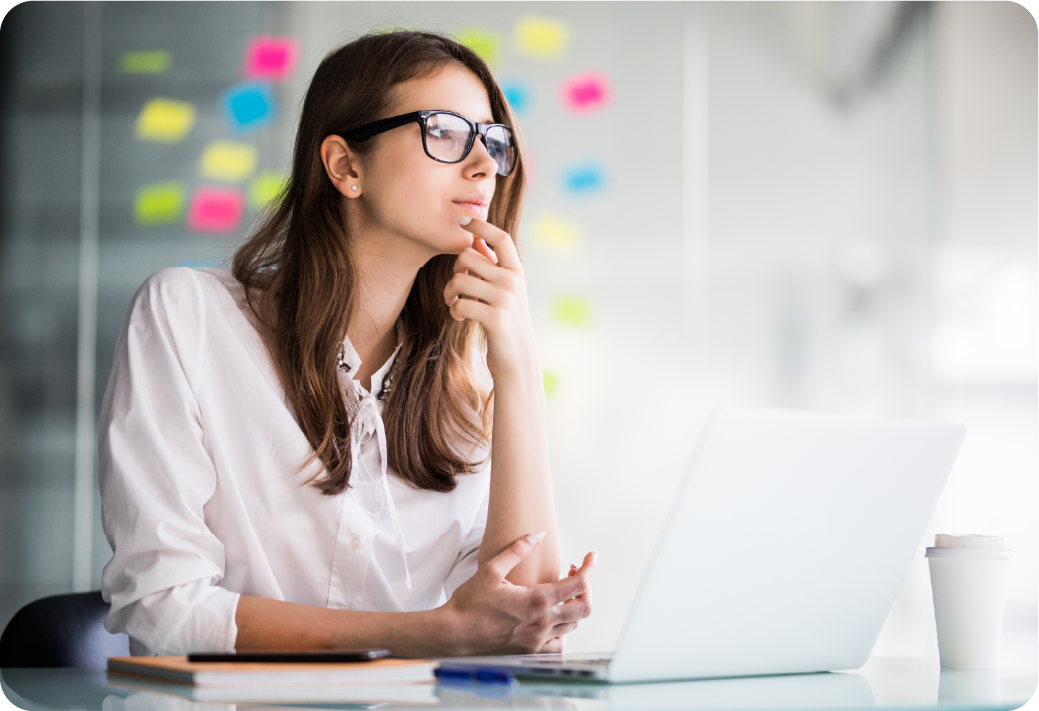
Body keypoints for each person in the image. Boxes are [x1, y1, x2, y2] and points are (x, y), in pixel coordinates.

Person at [98, 30, 595, 657]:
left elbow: (524, 620)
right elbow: (161, 606)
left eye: (492, 142)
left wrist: (517, 366)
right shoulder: (185, 317)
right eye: (443, 131)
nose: (481, 166)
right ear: (345, 166)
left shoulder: (466, 387)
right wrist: (431, 632)